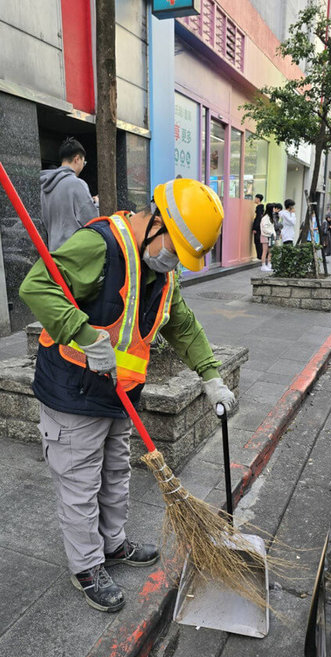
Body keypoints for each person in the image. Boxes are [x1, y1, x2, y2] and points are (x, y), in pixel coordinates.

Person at [19, 178, 236, 613]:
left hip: (120, 395)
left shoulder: (162, 272)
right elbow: (36, 287)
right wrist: (84, 333)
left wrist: (211, 376)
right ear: (155, 222)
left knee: (116, 472)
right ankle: (87, 566)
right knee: (80, 483)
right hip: (72, 390)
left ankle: (113, 543)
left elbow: (182, 325)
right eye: (174, 249)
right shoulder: (98, 245)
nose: (174, 261)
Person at [40, 136, 99, 251]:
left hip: (54, 252)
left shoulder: (45, 186)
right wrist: (97, 203)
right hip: (74, 253)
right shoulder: (77, 184)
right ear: (77, 159)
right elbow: (90, 220)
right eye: (84, 162)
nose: (82, 166)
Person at [259, 202, 275, 271]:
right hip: (265, 236)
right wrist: (271, 232)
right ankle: (263, 265)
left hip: (270, 236)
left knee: (270, 251)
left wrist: (273, 234)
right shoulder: (265, 218)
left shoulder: (270, 217)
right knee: (265, 251)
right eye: (273, 208)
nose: (274, 209)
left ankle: (269, 264)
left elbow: (272, 227)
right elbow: (264, 228)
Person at [252, 193, 264, 260]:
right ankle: (259, 256)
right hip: (259, 228)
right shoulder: (261, 207)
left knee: (257, 241)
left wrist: (255, 228)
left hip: (258, 228)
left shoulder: (259, 207)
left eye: (255, 198)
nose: (254, 199)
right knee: (258, 241)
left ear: (258, 199)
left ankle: (259, 256)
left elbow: (258, 218)